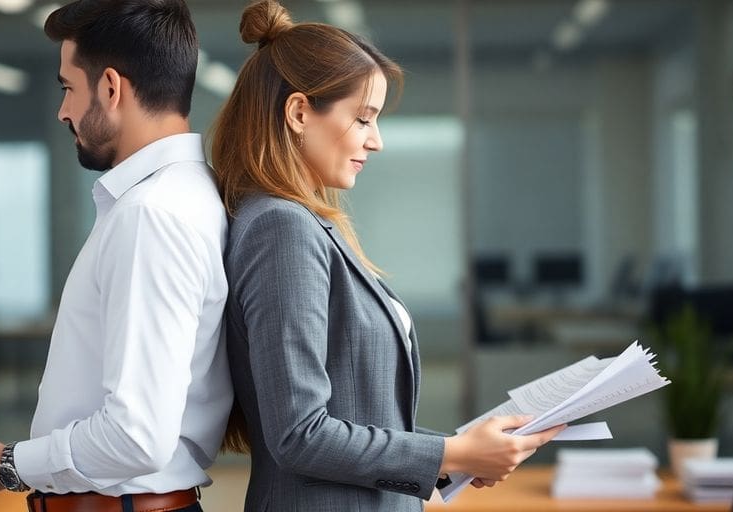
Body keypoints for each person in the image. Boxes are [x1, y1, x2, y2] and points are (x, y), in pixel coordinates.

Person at [211, 1, 565, 510]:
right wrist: (453, 451)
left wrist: (456, 455)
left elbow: (356, 411)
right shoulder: (281, 229)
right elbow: (300, 434)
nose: (375, 141)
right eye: (363, 119)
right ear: (299, 112)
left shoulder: (301, 222)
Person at [0, 1, 232, 511]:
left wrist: (5, 464)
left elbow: (137, 436)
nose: (63, 111)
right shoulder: (183, 194)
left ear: (111, 88)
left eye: (68, 88)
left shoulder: (151, 214)